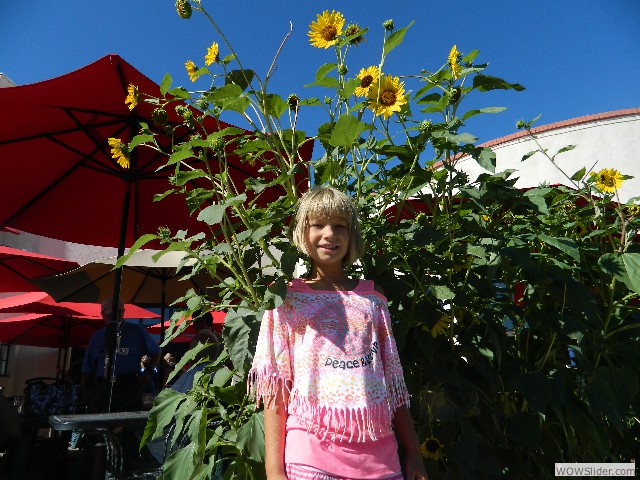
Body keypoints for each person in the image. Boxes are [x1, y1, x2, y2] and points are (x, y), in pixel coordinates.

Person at [248, 186, 428, 480]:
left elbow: (393, 382)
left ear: (352, 234)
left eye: (340, 226)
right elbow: (276, 392)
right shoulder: (284, 299)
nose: (329, 234)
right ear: (302, 233)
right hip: (310, 460)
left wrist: (415, 455)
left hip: (381, 462)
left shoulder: (373, 298)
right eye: (317, 225)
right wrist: (273, 471)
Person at [81, 298, 161, 413]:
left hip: (128, 383)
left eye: (118, 312)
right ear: (102, 315)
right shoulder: (98, 336)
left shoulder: (137, 331)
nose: (113, 317)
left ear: (123, 312)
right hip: (103, 383)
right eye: (109, 315)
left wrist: (147, 374)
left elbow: (156, 352)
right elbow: (88, 367)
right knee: (100, 421)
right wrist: (84, 389)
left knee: (127, 422)